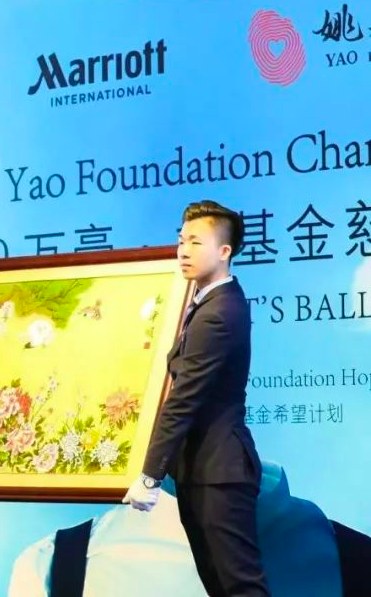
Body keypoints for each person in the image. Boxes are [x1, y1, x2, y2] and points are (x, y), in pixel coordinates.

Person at [123, 200, 268, 596]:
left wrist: (150, 475)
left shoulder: (220, 311)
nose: (183, 251)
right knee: (220, 586)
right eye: (181, 240)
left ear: (224, 251)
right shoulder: (205, 303)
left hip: (220, 471)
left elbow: (184, 399)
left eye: (195, 242)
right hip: (201, 470)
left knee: (240, 587)